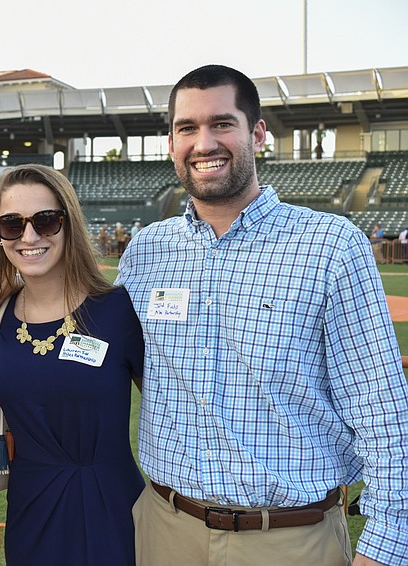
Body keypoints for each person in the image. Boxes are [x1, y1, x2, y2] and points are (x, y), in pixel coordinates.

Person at [116, 65, 408, 565]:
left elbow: (382, 412)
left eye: (222, 124)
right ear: (171, 143)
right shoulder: (146, 251)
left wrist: (384, 547)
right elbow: (104, 346)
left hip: (291, 540)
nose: (203, 142)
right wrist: (11, 288)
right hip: (165, 528)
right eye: (187, 128)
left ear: (257, 133)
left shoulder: (332, 246)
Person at [0, 164, 145, 565]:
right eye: (11, 224)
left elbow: (169, 403)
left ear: (68, 224)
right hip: (31, 508)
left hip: (110, 507)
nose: (29, 237)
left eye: (45, 221)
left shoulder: (117, 310)